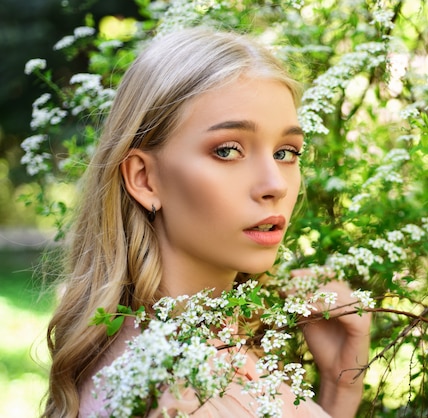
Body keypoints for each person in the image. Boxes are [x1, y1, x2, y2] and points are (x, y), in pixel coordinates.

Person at [42, 28, 371, 418]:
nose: (275, 185)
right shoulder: (172, 391)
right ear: (144, 179)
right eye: (228, 150)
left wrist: (339, 386)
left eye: (286, 152)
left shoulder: (205, 350)